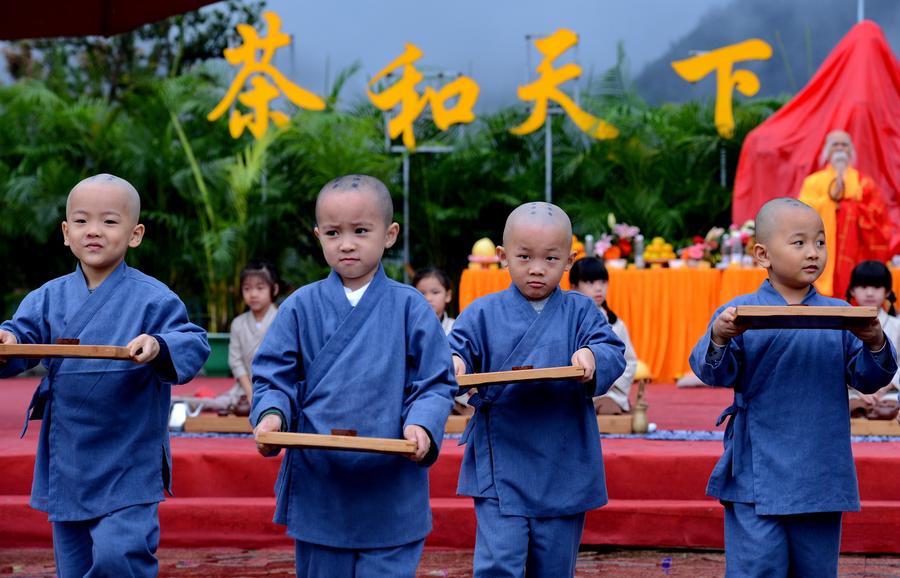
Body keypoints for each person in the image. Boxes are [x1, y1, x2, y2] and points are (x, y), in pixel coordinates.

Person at [0, 174, 210, 577]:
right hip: (70, 458)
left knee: (120, 557)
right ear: (65, 232)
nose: (94, 231)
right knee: (74, 565)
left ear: (136, 234)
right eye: (81, 221)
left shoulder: (155, 298)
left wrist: (159, 346)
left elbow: (193, 342)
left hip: (128, 456)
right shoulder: (48, 296)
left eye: (110, 222)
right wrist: (7, 340)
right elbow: (19, 339)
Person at [250, 174, 456, 578]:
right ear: (318, 235)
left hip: (390, 478)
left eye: (361, 231)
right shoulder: (300, 306)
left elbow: (435, 381)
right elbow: (274, 376)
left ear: (389, 234)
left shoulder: (410, 306)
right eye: (333, 232)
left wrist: (421, 425)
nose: (346, 243)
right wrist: (272, 415)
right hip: (321, 477)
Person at [689, 197, 896, 577]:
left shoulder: (840, 314)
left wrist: (874, 342)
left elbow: (870, 378)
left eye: (820, 242)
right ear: (763, 254)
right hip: (756, 469)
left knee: (815, 570)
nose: (813, 252)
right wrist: (718, 337)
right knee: (757, 569)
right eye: (798, 243)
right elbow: (714, 372)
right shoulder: (740, 312)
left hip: (819, 465)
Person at [448, 202, 626, 578]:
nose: (537, 268)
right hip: (501, 461)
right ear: (502, 257)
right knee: (498, 565)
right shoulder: (482, 312)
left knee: (554, 568)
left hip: (562, 459)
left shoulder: (582, 311)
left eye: (550, 258)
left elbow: (611, 351)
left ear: (569, 260)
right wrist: (456, 363)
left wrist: (592, 356)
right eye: (524, 256)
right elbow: (455, 349)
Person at [798, 130, 892, 298]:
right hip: (822, 245)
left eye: (844, 144)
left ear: (851, 151)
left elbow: (877, 214)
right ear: (827, 150)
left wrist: (851, 210)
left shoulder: (864, 182)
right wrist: (830, 200)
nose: (840, 148)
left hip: (855, 249)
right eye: (835, 144)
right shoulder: (813, 181)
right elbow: (802, 212)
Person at [570, 256, 638, 414]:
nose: (598, 288)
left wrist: (605, 377)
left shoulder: (616, 324)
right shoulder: (567, 320)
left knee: (606, 408)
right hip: (572, 391)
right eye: (590, 283)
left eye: (603, 282)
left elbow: (629, 362)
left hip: (608, 393)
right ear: (574, 287)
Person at [845, 260, 900, 419]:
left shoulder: (897, 325)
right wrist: (862, 390)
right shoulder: (842, 325)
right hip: (854, 394)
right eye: (863, 287)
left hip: (889, 394)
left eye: (876, 287)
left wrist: (884, 387)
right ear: (852, 290)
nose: (869, 293)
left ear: (888, 291)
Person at [412, 267, 455, 335]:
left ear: (447, 296)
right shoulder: (409, 327)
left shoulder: (455, 328)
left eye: (435, 292)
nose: (428, 298)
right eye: (422, 293)